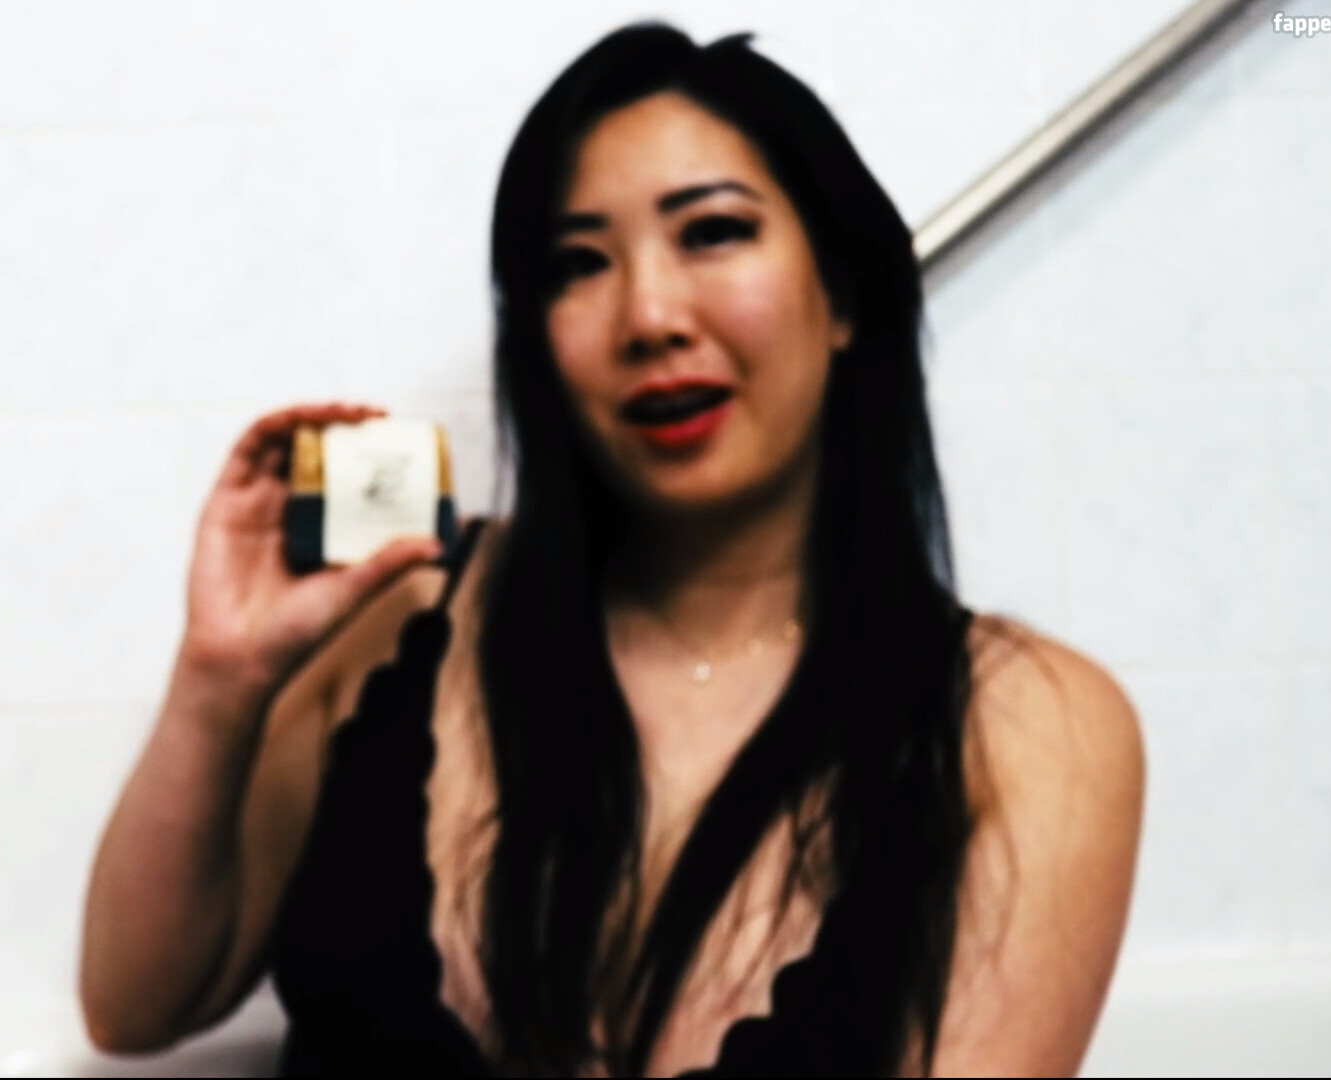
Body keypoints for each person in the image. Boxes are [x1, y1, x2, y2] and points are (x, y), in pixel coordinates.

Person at [79, 21, 1144, 1078]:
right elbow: (135, 1003)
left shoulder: (1032, 729)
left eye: (713, 232)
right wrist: (220, 680)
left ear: (845, 294)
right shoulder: (399, 620)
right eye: (578, 263)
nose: (648, 315)